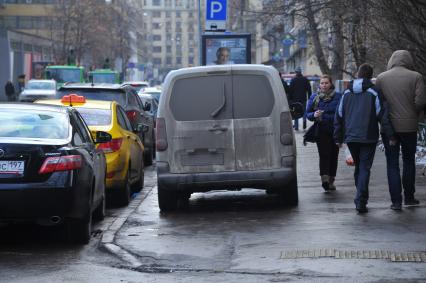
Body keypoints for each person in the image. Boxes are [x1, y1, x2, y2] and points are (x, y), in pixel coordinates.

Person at [334, 63, 395, 213]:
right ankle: (361, 200)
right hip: (368, 137)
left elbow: (339, 115)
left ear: (358, 74)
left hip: (351, 137)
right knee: (364, 168)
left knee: (359, 168)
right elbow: (382, 115)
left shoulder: (346, 93)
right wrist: (391, 135)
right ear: (370, 76)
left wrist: (338, 137)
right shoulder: (374, 92)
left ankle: (361, 197)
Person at [376, 50, 426, 210]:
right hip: (409, 127)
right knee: (408, 161)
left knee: (392, 163)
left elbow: (378, 104)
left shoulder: (381, 78)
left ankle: (396, 202)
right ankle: (409, 197)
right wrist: (413, 113)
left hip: (388, 128)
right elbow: (420, 102)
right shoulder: (416, 76)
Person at [306, 75, 341, 191]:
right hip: (321, 130)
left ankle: (331, 180)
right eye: (322, 83)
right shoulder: (314, 97)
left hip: (335, 130)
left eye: (326, 83)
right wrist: (314, 115)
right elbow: (308, 114)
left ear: (330, 84)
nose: (324, 85)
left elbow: (341, 113)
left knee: (334, 155)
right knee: (324, 155)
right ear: (319, 85)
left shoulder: (338, 96)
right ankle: (324, 180)